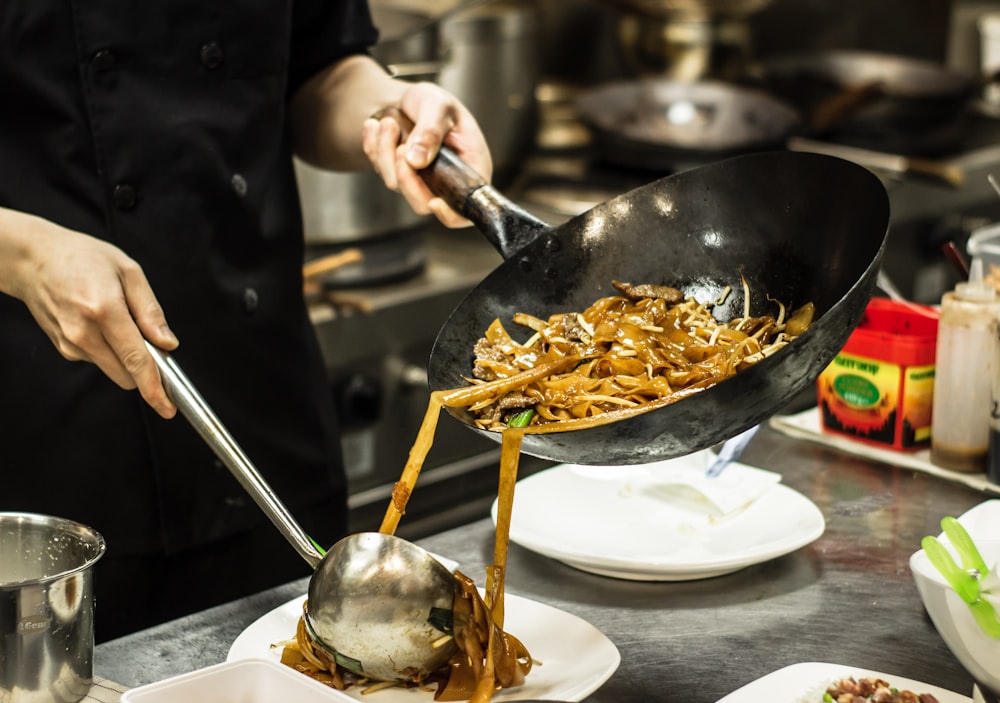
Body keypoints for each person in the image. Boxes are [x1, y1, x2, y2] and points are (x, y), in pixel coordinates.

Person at [0, 1, 492, 642]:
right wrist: (22, 254)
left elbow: (319, 70)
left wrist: (388, 112)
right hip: (36, 450)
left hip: (260, 409)